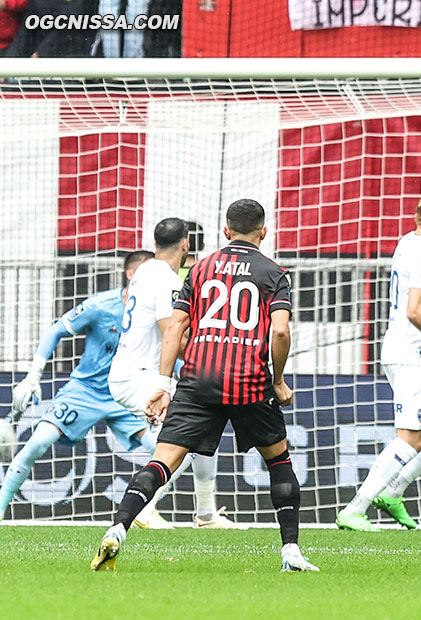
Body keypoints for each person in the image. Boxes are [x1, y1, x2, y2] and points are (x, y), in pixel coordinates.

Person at [92, 199, 318, 572]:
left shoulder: (198, 271)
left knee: (162, 461)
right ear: (264, 232)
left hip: (198, 379)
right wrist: (277, 381)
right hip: (248, 380)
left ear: (225, 232)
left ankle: (119, 527)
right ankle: (291, 552)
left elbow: (176, 328)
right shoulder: (274, 273)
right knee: (278, 461)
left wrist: (164, 384)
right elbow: (280, 330)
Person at [335, 192, 421, 532]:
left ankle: (394, 491)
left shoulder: (409, 242)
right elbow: (415, 309)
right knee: (411, 438)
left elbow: (411, 294)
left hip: (404, 351)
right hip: (414, 356)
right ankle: (355, 509)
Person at [0, 252, 167, 525]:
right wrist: (32, 376)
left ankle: (148, 511)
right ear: (131, 275)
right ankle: (1, 505)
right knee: (38, 443)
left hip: (126, 393)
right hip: (85, 391)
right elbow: (56, 330)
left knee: (163, 451)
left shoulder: (155, 313)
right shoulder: (101, 305)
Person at [107, 218, 243, 529]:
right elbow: (171, 333)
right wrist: (214, 352)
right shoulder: (166, 279)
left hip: (130, 369)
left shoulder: (144, 270)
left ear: (155, 243)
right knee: (187, 434)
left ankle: (206, 514)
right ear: (185, 243)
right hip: (138, 375)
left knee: (205, 422)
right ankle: (146, 506)